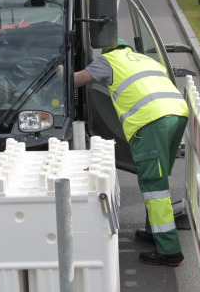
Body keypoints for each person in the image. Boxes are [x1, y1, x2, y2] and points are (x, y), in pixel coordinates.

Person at [73, 39, 190, 266]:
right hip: (177, 114)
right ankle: (155, 231)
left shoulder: (109, 60)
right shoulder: (146, 60)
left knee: (154, 186)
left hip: (151, 121)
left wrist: (58, 72)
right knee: (158, 177)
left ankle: (169, 250)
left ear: (109, 49)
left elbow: (77, 80)